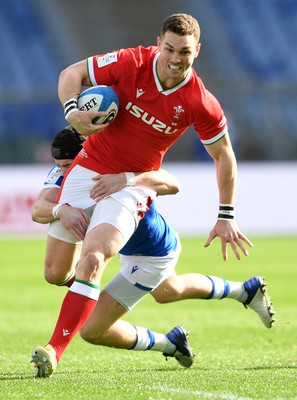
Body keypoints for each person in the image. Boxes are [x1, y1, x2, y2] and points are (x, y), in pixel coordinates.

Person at [31, 13, 267, 378]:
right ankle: (110, 308)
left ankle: (54, 349)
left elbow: (224, 155)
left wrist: (226, 215)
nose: (175, 59)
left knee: (93, 258)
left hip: (132, 186)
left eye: (184, 52)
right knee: (54, 272)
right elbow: (70, 75)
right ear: (158, 43)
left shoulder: (199, 101)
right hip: (89, 167)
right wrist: (72, 111)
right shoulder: (132, 62)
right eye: (169, 49)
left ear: (197, 51)